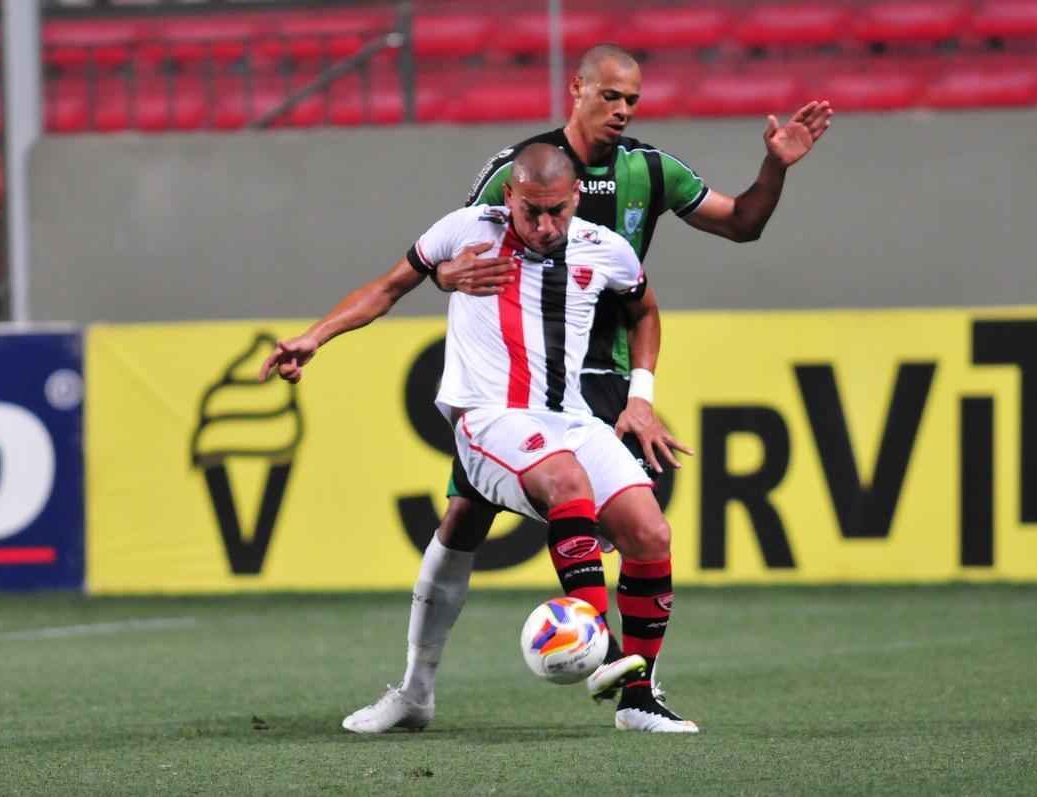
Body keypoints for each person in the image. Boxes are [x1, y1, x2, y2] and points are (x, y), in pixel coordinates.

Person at [345, 43, 834, 734]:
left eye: (633, 100)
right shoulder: (519, 171)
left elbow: (740, 226)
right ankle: (416, 688)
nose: (623, 111)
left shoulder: (650, 170)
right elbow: (461, 256)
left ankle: (637, 691)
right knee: (464, 519)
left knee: (642, 526)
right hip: (513, 379)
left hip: (594, 380)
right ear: (576, 89)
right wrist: (445, 277)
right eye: (611, 97)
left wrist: (773, 169)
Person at [263, 143, 697, 732]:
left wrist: (640, 396)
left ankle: (638, 697)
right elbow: (387, 288)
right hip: (488, 418)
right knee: (560, 482)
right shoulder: (468, 232)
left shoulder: (607, 249)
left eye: (557, 212)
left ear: (575, 201)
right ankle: (604, 650)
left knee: (650, 531)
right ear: (508, 198)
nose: (544, 226)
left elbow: (643, 309)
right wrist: (315, 337)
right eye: (530, 212)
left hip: (569, 418)